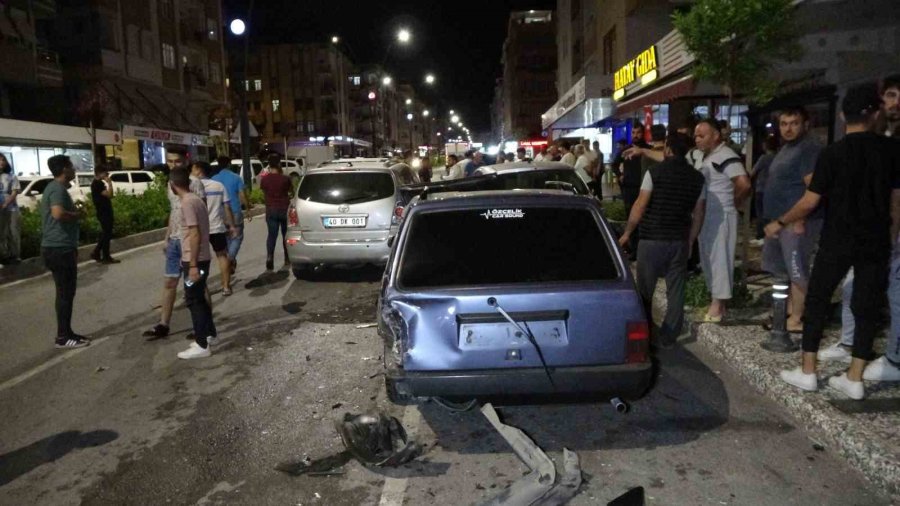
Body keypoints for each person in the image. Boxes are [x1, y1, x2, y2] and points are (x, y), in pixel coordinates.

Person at [769, 82, 900, 400]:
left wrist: (780, 221)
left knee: (817, 299)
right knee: (867, 305)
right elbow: (896, 201)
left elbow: (810, 201)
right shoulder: (892, 151)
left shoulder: (832, 153)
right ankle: (855, 378)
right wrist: (892, 237)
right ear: (875, 114)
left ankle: (808, 372)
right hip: (876, 239)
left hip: (838, 238)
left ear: (843, 116)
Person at [819, 77, 900, 381]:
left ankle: (894, 359)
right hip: (874, 233)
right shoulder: (881, 141)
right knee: (855, 288)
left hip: (886, 234)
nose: (893, 104)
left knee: (894, 292)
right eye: (890, 96)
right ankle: (850, 343)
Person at [618, 133, 706, 348]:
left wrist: (628, 232)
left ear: (667, 149)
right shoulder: (698, 178)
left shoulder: (654, 172)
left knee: (645, 289)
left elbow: (640, 204)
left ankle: (646, 330)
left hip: (652, 239)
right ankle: (670, 333)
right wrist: (692, 239)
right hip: (679, 239)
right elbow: (699, 212)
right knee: (676, 288)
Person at [760, 107, 823, 346]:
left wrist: (798, 219)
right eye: (784, 123)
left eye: (794, 123)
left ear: (805, 124)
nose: (787, 128)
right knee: (783, 270)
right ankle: (786, 313)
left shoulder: (809, 149)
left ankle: (797, 319)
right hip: (778, 223)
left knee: (797, 272)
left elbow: (812, 189)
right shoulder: (786, 149)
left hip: (794, 223)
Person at [143, 146, 206, 341]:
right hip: (175, 241)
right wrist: (167, 236)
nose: (172, 165)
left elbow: (201, 214)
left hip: (190, 242)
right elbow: (174, 212)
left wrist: (199, 242)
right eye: (170, 161)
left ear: (186, 161)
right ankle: (163, 324)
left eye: (176, 161)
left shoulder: (195, 184)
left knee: (197, 285)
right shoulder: (170, 185)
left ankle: (203, 326)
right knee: (170, 281)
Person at [694, 119, 751, 322]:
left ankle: (718, 305)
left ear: (716, 135)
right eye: (696, 136)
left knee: (719, 259)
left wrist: (732, 203)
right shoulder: (707, 156)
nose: (697, 140)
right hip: (708, 215)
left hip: (721, 215)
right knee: (709, 258)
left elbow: (743, 184)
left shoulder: (726, 155)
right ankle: (717, 302)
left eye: (702, 135)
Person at [41, 155, 89, 348]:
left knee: (66, 293)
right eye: (71, 166)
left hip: (60, 247)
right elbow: (58, 213)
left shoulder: (56, 188)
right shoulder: (57, 189)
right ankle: (63, 337)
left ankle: (68, 333)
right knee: (64, 293)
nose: (74, 169)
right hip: (59, 248)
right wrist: (78, 215)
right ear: (63, 169)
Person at [171, 168, 217, 360]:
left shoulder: (187, 203)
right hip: (201, 257)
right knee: (199, 297)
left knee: (193, 299)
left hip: (194, 258)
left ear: (172, 185)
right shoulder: (196, 199)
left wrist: (192, 265)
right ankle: (209, 333)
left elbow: (194, 233)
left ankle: (201, 344)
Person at [193, 161, 237, 296]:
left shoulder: (192, 187)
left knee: (198, 260)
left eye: (193, 169)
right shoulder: (218, 186)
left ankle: (198, 287)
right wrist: (231, 225)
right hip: (217, 227)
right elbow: (227, 207)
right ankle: (226, 287)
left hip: (200, 229)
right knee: (222, 256)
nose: (191, 172)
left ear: (199, 170)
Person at [613, 124, 651, 257]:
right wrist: (620, 175)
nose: (635, 135)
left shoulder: (648, 150)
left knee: (645, 219)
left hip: (645, 189)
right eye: (633, 133)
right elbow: (614, 164)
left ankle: (645, 250)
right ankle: (635, 250)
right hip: (629, 188)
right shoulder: (626, 149)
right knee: (632, 218)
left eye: (638, 132)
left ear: (643, 133)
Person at [212, 156, 251, 276]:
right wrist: (248, 209)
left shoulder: (214, 179)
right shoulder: (236, 177)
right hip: (234, 211)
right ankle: (229, 260)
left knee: (227, 238)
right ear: (229, 164)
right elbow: (242, 195)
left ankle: (230, 262)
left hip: (220, 213)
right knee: (237, 237)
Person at [260, 158, 293, 271]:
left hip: (271, 210)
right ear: (279, 165)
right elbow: (291, 192)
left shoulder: (264, 180)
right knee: (286, 235)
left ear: (269, 166)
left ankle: (270, 257)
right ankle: (287, 258)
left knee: (272, 235)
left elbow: (264, 192)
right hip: (284, 209)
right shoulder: (285, 179)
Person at [750, 136, 778, 244]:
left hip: (761, 188)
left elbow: (753, 171)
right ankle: (768, 234)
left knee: (760, 213)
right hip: (773, 189)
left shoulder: (764, 158)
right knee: (769, 213)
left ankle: (760, 235)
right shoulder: (778, 157)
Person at [89, 163, 120, 264]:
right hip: (104, 212)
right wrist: (110, 183)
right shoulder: (98, 184)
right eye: (105, 173)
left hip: (102, 211)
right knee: (107, 234)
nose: (107, 175)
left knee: (105, 233)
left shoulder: (96, 183)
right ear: (100, 173)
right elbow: (110, 195)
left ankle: (97, 252)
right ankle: (105, 256)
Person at [0, 153, 21, 264]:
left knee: (13, 232)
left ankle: (15, 255)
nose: (2, 162)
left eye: (3, 160)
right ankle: (4, 255)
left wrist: (5, 204)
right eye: (0, 160)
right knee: (2, 233)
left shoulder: (12, 177)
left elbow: (14, 193)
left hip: (12, 209)